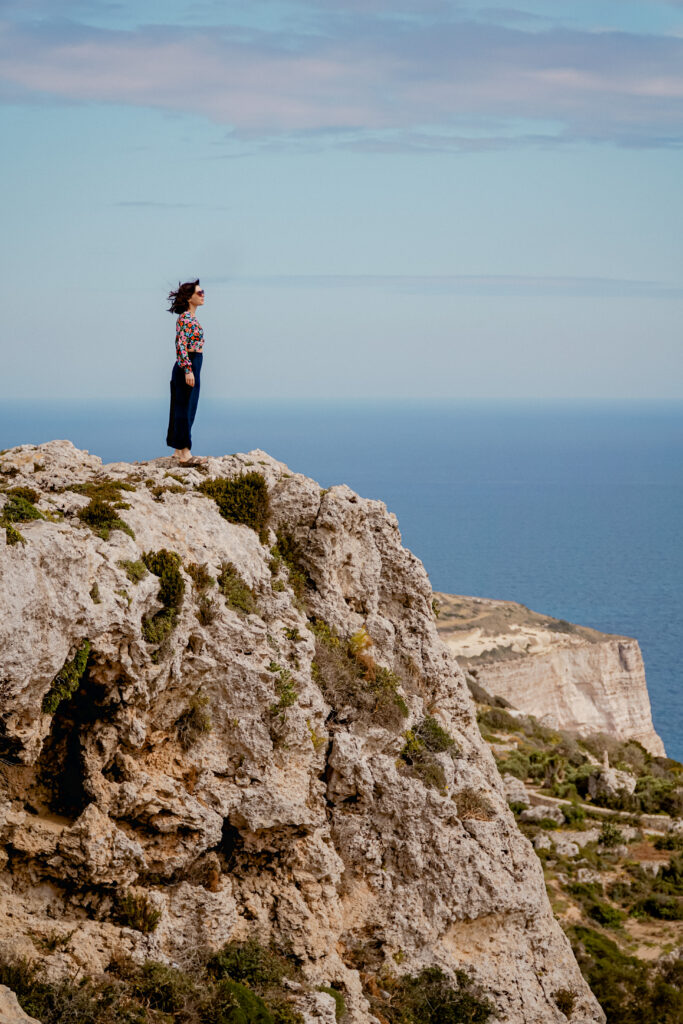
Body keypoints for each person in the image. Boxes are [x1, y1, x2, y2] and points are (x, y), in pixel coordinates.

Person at [166, 279, 208, 465]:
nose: (203, 295)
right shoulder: (185, 318)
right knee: (185, 408)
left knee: (184, 406)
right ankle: (185, 452)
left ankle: (178, 449)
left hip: (193, 363)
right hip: (189, 363)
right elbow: (181, 344)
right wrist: (188, 369)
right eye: (199, 293)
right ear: (189, 298)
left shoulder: (191, 318)